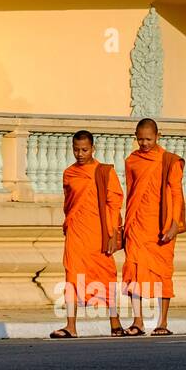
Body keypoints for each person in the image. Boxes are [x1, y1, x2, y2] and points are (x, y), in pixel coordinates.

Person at [51, 130, 123, 339]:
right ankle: (71, 326)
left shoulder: (104, 172)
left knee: (106, 275)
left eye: (84, 150)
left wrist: (111, 234)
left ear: (93, 148)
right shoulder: (69, 173)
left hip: (99, 232)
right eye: (76, 150)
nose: (80, 154)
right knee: (72, 275)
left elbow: (114, 203)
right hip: (76, 231)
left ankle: (114, 321)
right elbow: (69, 203)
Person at [120, 118, 186, 336]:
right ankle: (137, 321)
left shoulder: (169, 161)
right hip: (137, 224)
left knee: (162, 272)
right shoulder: (132, 161)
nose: (145, 144)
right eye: (140, 140)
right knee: (133, 268)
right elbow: (131, 193)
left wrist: (175, 224)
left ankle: (163, 322)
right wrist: (125, 225)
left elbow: (176, 194)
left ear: (158, 136)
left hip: (161, 225)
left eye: (148, 139)